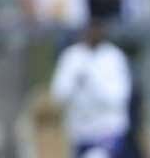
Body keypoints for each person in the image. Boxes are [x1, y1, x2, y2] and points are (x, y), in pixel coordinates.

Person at [49, 18, 132, 158]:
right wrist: (75, 82)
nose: (93, 32)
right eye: (90, 27)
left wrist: (92, 82)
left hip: (109, 131)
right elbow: (58, 95)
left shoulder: (114, 56)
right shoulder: (71, 56)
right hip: (80, 132)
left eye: (96, 27)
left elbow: (119, 97)